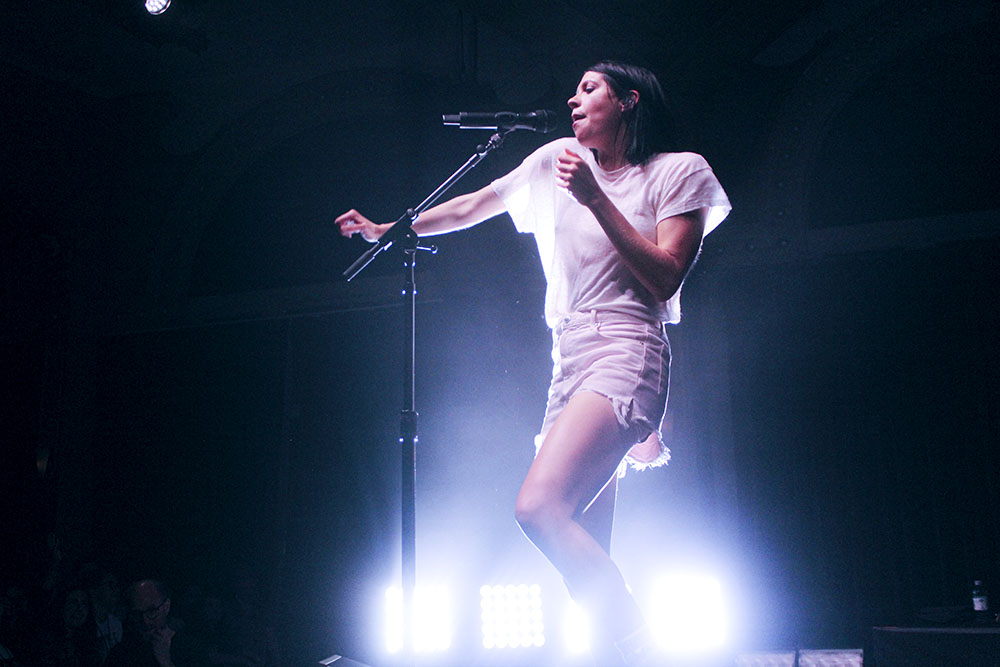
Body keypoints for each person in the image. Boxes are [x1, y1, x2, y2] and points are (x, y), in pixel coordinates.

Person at [336, 60, 730, 664]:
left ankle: (645, 645)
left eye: (589, 89)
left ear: (628, 102)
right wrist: (390, 230)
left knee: (539, 508)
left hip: (626, 346)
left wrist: (597, 200)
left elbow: (664, 277)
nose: (574, 100)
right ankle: (617, 654)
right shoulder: (554, 160)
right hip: (566, 358)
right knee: (581, 550)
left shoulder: (679, 172)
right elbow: (472, 207)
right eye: (573, 90)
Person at [105, 579, 206, 667]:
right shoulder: (121, 653)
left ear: (166, 607)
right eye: (137, 614)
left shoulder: (190, 648)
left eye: (151, 611)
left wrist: (166, 662)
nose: (145, 620)